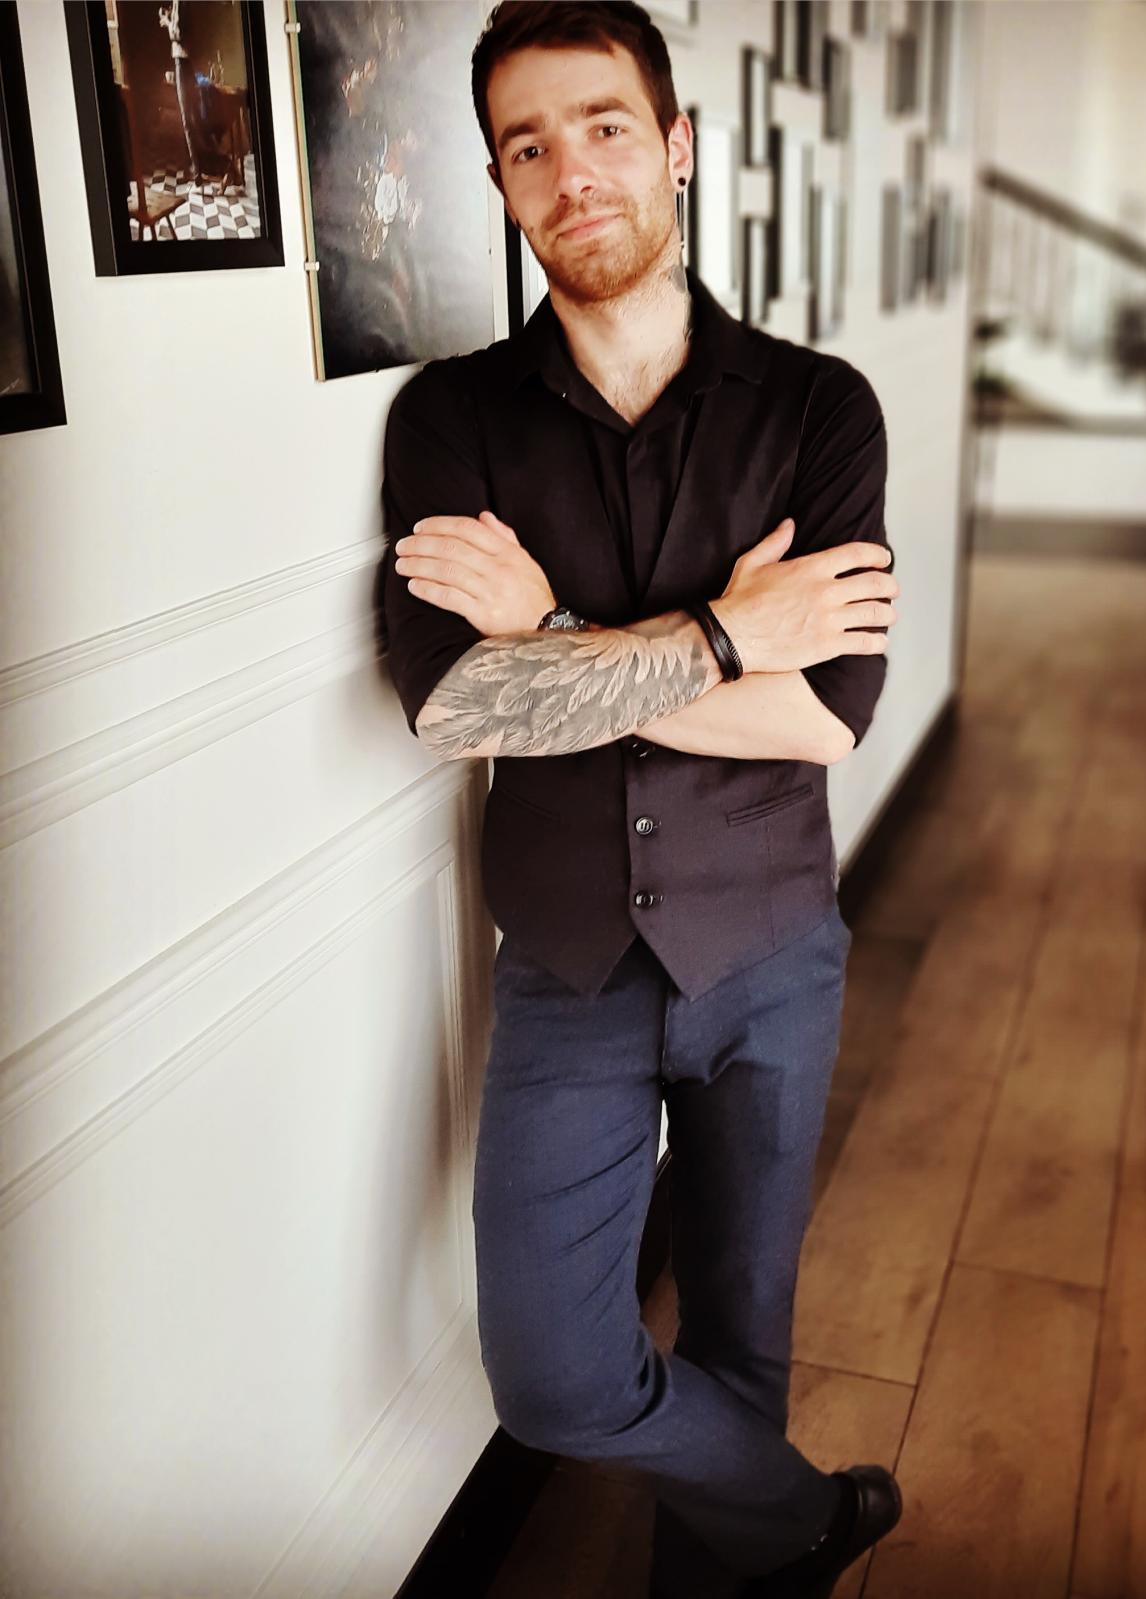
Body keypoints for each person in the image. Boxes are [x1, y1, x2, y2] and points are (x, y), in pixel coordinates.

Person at [380, 5, 903, 1594]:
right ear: (498, 183)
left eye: (605, 126)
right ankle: (812, 1519)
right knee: (552, 1376)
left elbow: (824, 720)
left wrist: (550, 640)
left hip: (772, 954)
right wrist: (728, 633)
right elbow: (458, 709)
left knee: (744, 1331)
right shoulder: (450, 418)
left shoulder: (819, 409)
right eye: (528, 146)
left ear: (676, 144)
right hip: (566, 966)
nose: (572, 173)